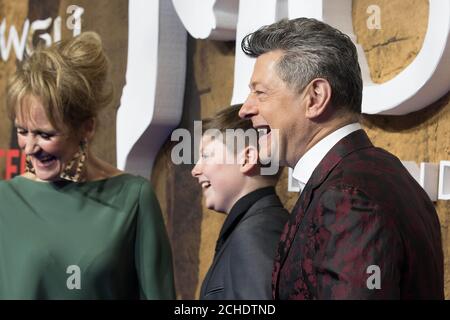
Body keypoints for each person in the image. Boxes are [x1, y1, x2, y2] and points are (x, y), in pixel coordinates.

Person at [239, 18, 444, 299]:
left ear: (315, 98)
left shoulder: (348, 198)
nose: (245, 109)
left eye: (260, 92)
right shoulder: (376, 174)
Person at [0, 32, 175, 299]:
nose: (30, 147)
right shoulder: (6, 202)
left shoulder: (132, 199)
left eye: (46, 135)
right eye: (23, 131)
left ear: (87, 127)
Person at [191, 105, 288, 299]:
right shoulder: (257, 227)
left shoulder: (255, 235)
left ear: (247, 158)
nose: (195, 170)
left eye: (206, 155)